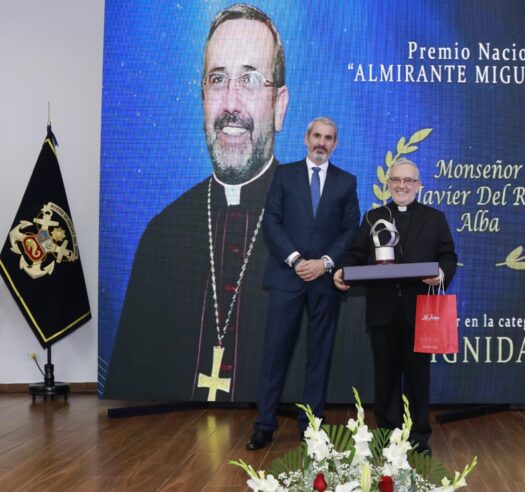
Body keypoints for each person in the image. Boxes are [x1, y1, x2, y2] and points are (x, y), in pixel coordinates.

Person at [103, 4, 289, 402]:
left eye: (251, 80)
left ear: (280, 106)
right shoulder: (162, 234)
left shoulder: (317, 229)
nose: (231, 104)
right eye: (218, 79)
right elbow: (128, 396)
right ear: (203, 97)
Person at [247, 117, 359, 450]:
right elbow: (271, 222)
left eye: (328, 138)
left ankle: (312, 426)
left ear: (335, 144)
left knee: (319, 356)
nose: (321, 142)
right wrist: (297, 260)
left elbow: (350, 230)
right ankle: (264, 425)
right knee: (275, 354)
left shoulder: (346, 182)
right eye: (317, 136)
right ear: (306, 138)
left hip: (324, 281)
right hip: (287, 278)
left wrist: (324, 263)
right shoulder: (284, 175)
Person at [333, 158, 457, 455]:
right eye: (397, 180)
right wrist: (343, 271)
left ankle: (418, 437)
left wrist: (441, 273)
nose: (402, 185)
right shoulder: (374, 216)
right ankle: (387, 436)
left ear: (419, 185)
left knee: (418, 378)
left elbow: (448, 256)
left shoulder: (435, 218)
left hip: (420, 313)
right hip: (382, 310)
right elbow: (355, 253)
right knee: (385, 376)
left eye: (409, 180)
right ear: (388, 183)